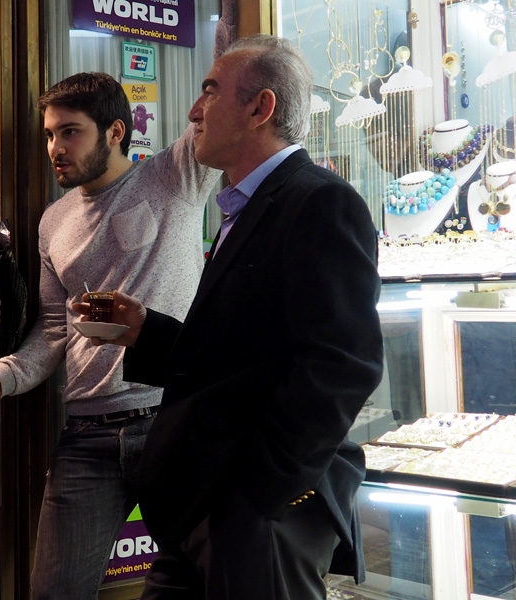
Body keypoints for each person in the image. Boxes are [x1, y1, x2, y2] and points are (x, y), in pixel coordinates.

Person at [79, 35, 385, 599]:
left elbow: (343, 365)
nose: (194, 110)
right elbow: (240, 356)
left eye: (210, 91)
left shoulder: (319, 201)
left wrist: (260, 495)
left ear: (260, 108)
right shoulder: (246, 208)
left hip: (252, 513)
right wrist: (147, 330)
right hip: (203, 504)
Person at [0, 70, 223, 599]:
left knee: (207, 583)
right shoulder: (53, 222)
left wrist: (216, 76)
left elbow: (219, 94)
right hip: (87, 436)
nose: (55, 147)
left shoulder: (172, 176)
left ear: (116, 131)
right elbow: (54, 328)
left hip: (172, 420)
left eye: (70, 132)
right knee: (54, 592)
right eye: (50, 134)